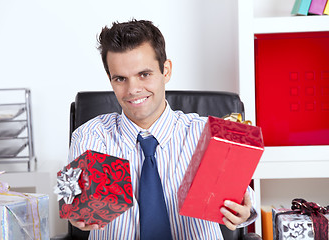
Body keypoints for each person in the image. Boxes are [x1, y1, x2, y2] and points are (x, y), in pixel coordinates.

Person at [68, 19, 256, 239]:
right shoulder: (91, 135)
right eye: (120, 79)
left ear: (165, 71)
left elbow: (244, 197)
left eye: (144, 75)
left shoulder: (207, 133)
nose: (133, 89)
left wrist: (243, 209)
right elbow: (73, 195)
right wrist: (74, 208)